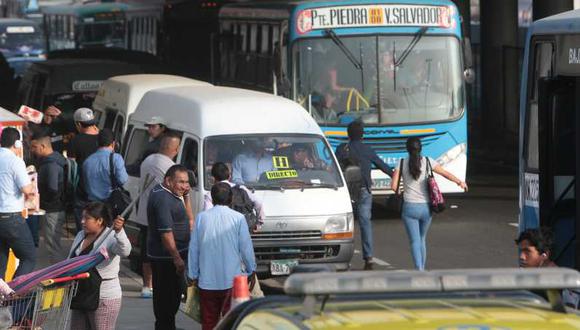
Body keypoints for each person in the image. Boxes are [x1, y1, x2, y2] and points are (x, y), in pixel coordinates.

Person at [391, 137, 467, 271]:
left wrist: (403, 190)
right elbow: (445, 174)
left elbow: (393, 186)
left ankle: (419, 269)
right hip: (426, 208)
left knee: (414, 241)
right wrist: (460, 182)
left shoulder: (401, 162)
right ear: (421, 148)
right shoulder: (428, 161)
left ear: (407, 149)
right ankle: (423, 269)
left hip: (409, 207)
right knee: (422, 239)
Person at [188, 182, 257, 330]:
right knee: (230, 321)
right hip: (231, 281)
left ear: (212, 198)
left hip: (206, 280)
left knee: (208, 322)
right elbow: (246, 248)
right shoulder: (238, 218)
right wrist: (251, 270)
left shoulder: (201, 218)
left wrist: (192, 274)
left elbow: (194, 248)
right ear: (231, 199)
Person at [335, 121, 393, 270]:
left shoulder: (342, 149)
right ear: (362, 135)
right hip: (364, 189)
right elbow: (382, 165)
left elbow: (334, 167)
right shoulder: (367, 149)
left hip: (347, 191)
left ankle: (343, 257)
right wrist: (396, 175)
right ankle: (368, 257)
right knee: (365, 223)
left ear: (348, 134)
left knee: (346, 224)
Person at [69, 202, 131, 330]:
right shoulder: (81, 235)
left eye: (87, 218)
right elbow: (69, 261)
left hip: (104, 297)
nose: (82, 221)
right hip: (80, 294)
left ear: (99, 220)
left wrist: (119, 231)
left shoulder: (111, 237)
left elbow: (125, 251)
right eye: (82, 217)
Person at [136, 133, 181, 299]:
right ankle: (163, 285)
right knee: (165, 252)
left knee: (146, 253)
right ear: (175, 150)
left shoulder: (147, 160)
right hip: (162, 217)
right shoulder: (171, 167)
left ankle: (147, 286)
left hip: (144, 216)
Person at [147, 165, 191, 330]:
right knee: (166, 302)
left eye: (187, 182)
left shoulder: (169, 193)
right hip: (166, 259)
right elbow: (166, 233)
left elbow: (189, 220)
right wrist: (177, 258)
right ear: (168, 181)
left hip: (172, 256)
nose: (185, 186)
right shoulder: (163, 199)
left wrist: (186, 198)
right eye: (181, 182)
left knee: (171, 301)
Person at [0, 127, 36, 278]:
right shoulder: (15, 161)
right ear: (17, 143)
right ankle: (13, 294)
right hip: (11, 218)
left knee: (1, 260)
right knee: (29, 258)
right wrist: (33, 183)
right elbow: (26, 189)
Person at [29, 134, 67, 263]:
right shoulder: (53, 161)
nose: (32, 150)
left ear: (43, 146)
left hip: (52, 210)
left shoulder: (51, 164)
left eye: (34, 147)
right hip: (54, 208)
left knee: (53, 246)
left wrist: (42, 201)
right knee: (52, 244)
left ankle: (59, 277)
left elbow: (52, 188)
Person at [203, 162, 265, 230]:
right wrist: (259, 223)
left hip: (222, 231)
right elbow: (259, 202)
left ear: (213, 178)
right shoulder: (241, 188)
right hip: (243, 227)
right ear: (229, 176)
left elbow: (207, 215)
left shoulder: (211, 194)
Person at [68, 107, 100, 232]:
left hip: (82, 191)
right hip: (102, 192)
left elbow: (71, 168)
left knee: (83, 230)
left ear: (79, 124)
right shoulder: (104, 138)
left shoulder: (75, 141)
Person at [82, 129, 128, 203]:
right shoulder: (116, 158)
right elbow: (123, 179)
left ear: (97, 143)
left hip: (91, 204)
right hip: (109, 203)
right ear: (113, 144)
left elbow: (85, 184)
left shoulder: (87, 161)